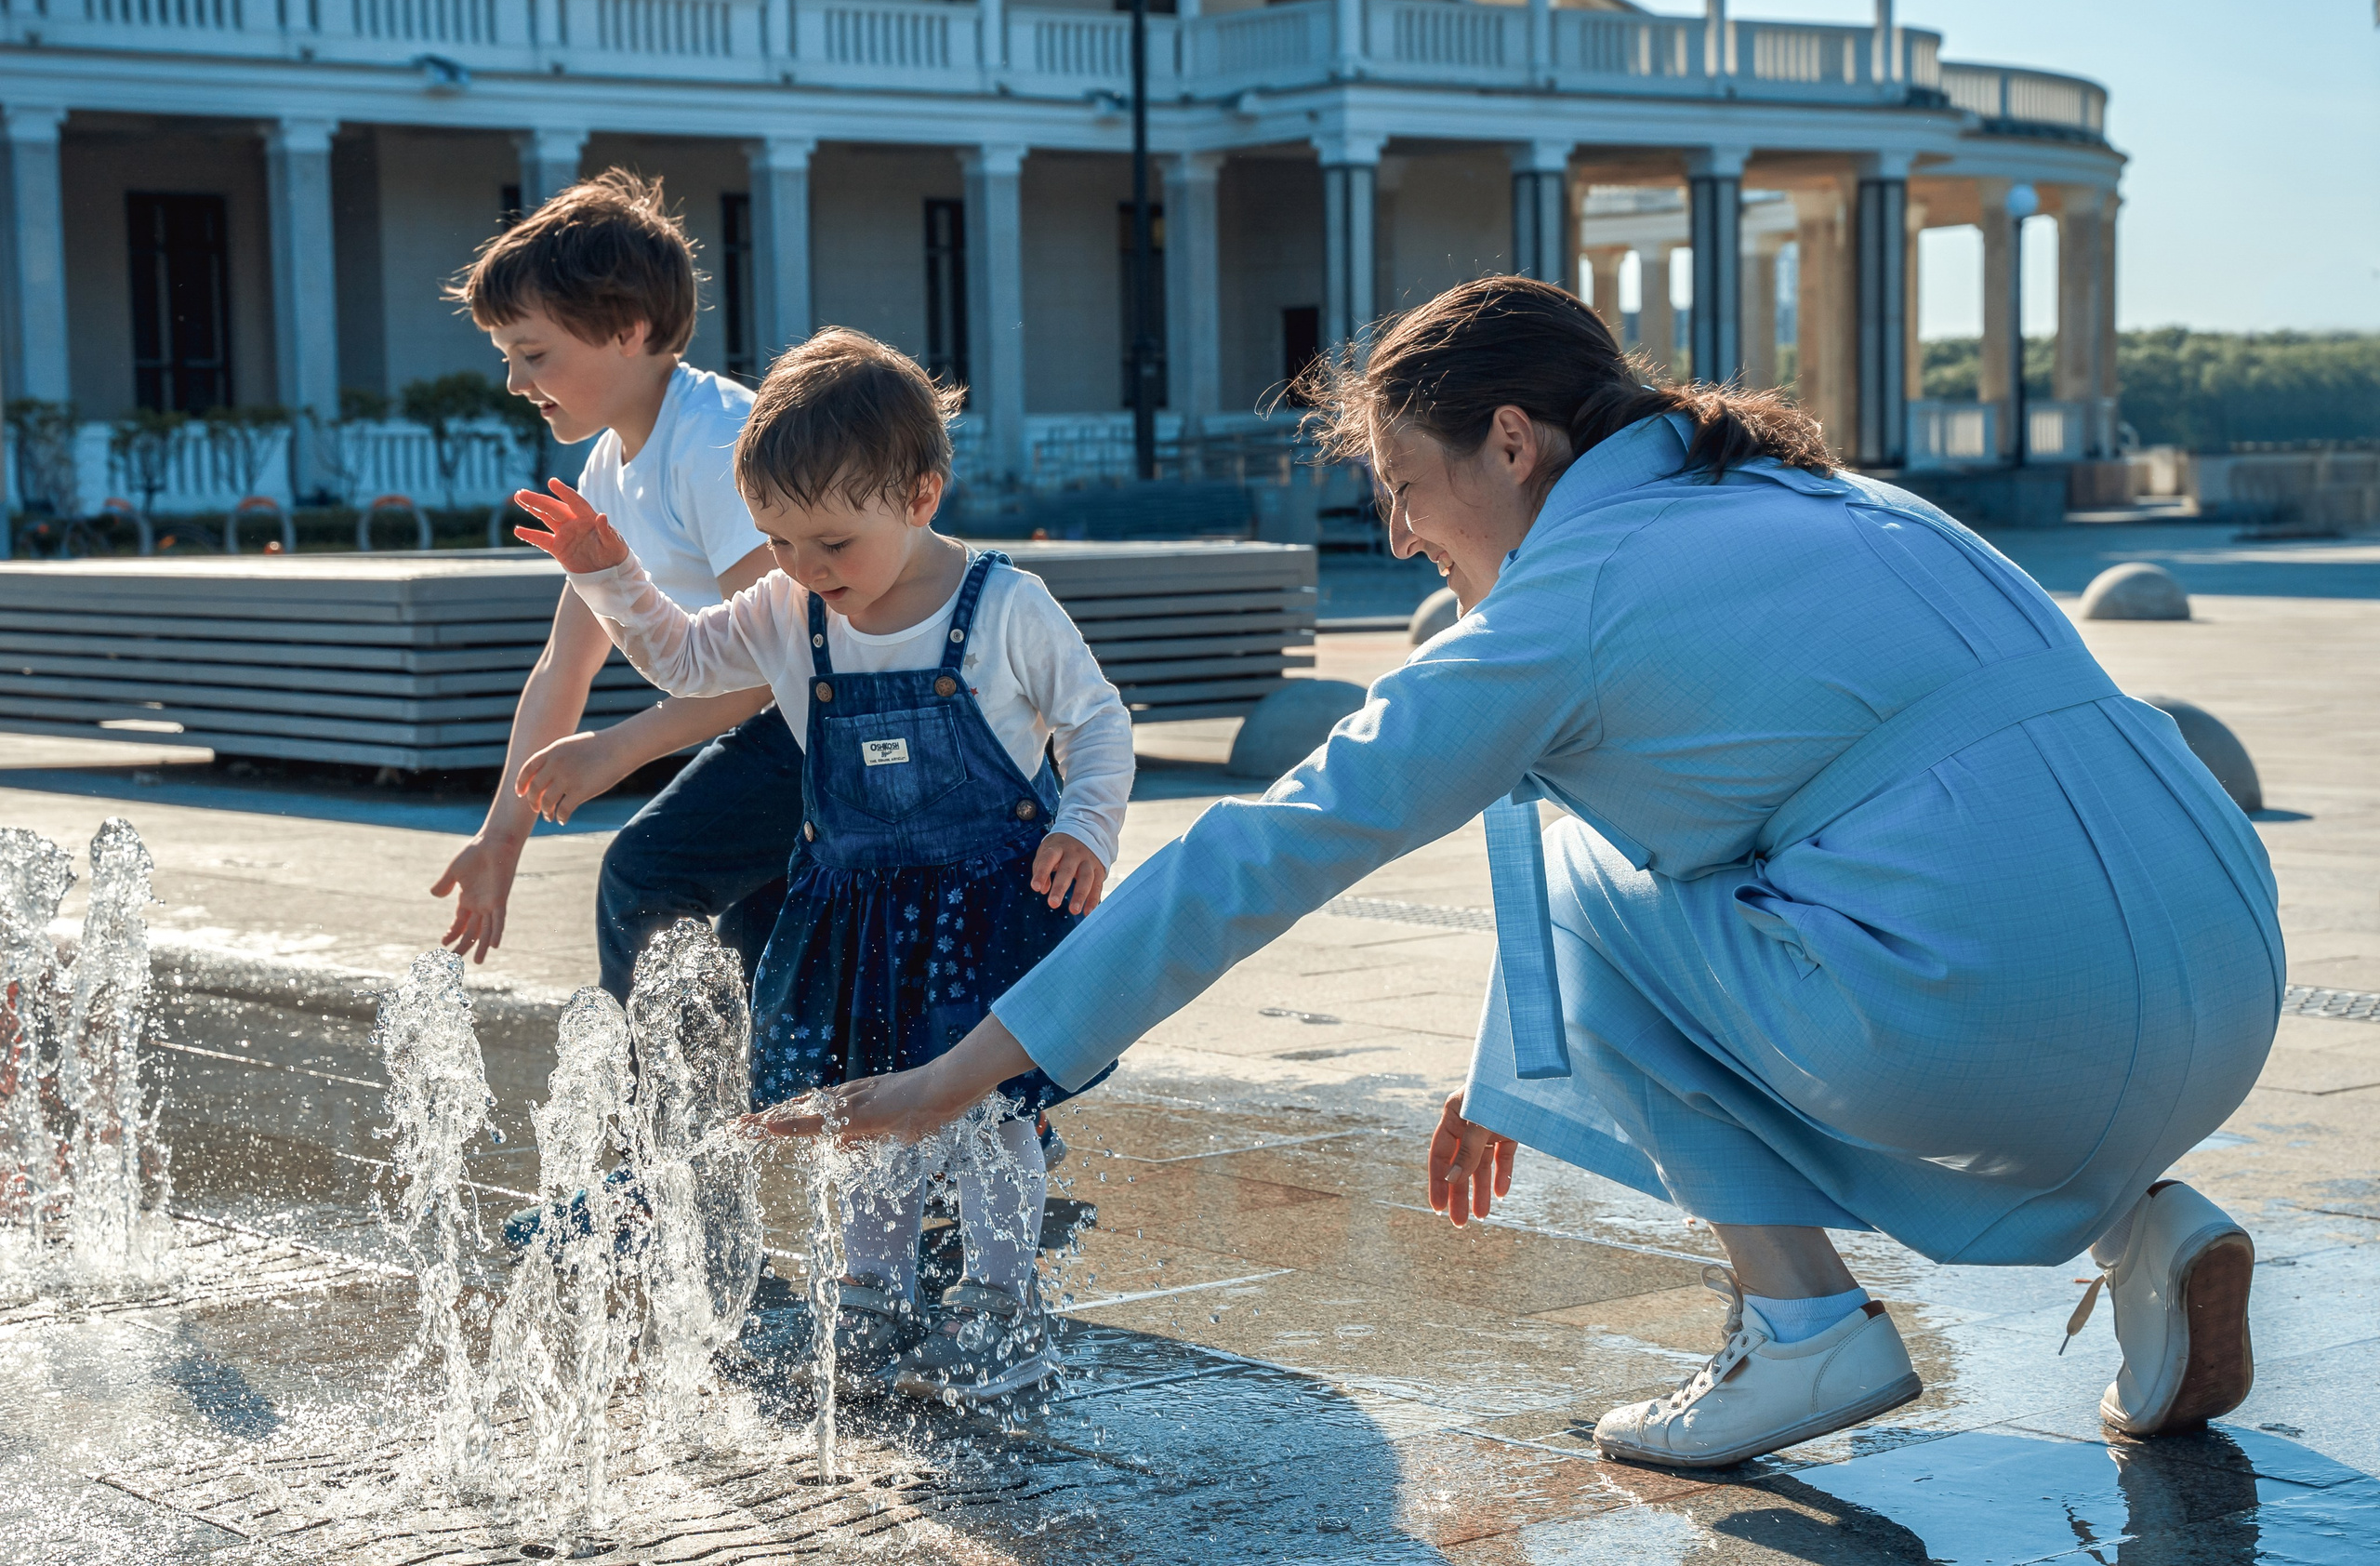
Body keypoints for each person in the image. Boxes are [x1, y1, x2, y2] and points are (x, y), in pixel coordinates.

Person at [762, 276, 2281, 1467]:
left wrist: (961, 1069)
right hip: (2229, 971)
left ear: (1512, 440)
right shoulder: (1832, 492)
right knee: (1819, 873)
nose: (1411, 542)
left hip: (1997, 1024)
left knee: (1563, 863)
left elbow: (1270, 841)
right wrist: (1515, 1062)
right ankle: (2141, 1219)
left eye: (1409, 493)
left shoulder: (1564, 604)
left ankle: (1805, 1322)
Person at [515, 327, 1135, 1403]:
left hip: (987, 906)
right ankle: (870, 1295)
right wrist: (610, 574)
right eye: (780, 542)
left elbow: (1096, 723)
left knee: (988, 1111)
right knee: (861, 1111)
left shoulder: (1003, 607)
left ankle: (1000, 1309)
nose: (805, 570)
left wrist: (1083, 827)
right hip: (854, 911)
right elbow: (683, 655)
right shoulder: (790, 607)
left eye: (832, 545)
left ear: (919, 493)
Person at [433, 169, 796, 1002]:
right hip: (781, 738)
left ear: (628, 329)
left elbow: (784, 654)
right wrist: (501, 839)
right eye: (508, 358)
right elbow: (567, 663)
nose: (517, 383)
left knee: (645, 871)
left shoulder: (715, 443)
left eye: (534, 354)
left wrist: (618, 748)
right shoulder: (610, 465)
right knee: (764, 958)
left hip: (835, 732)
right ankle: (722, 1124)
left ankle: (648, 1129)